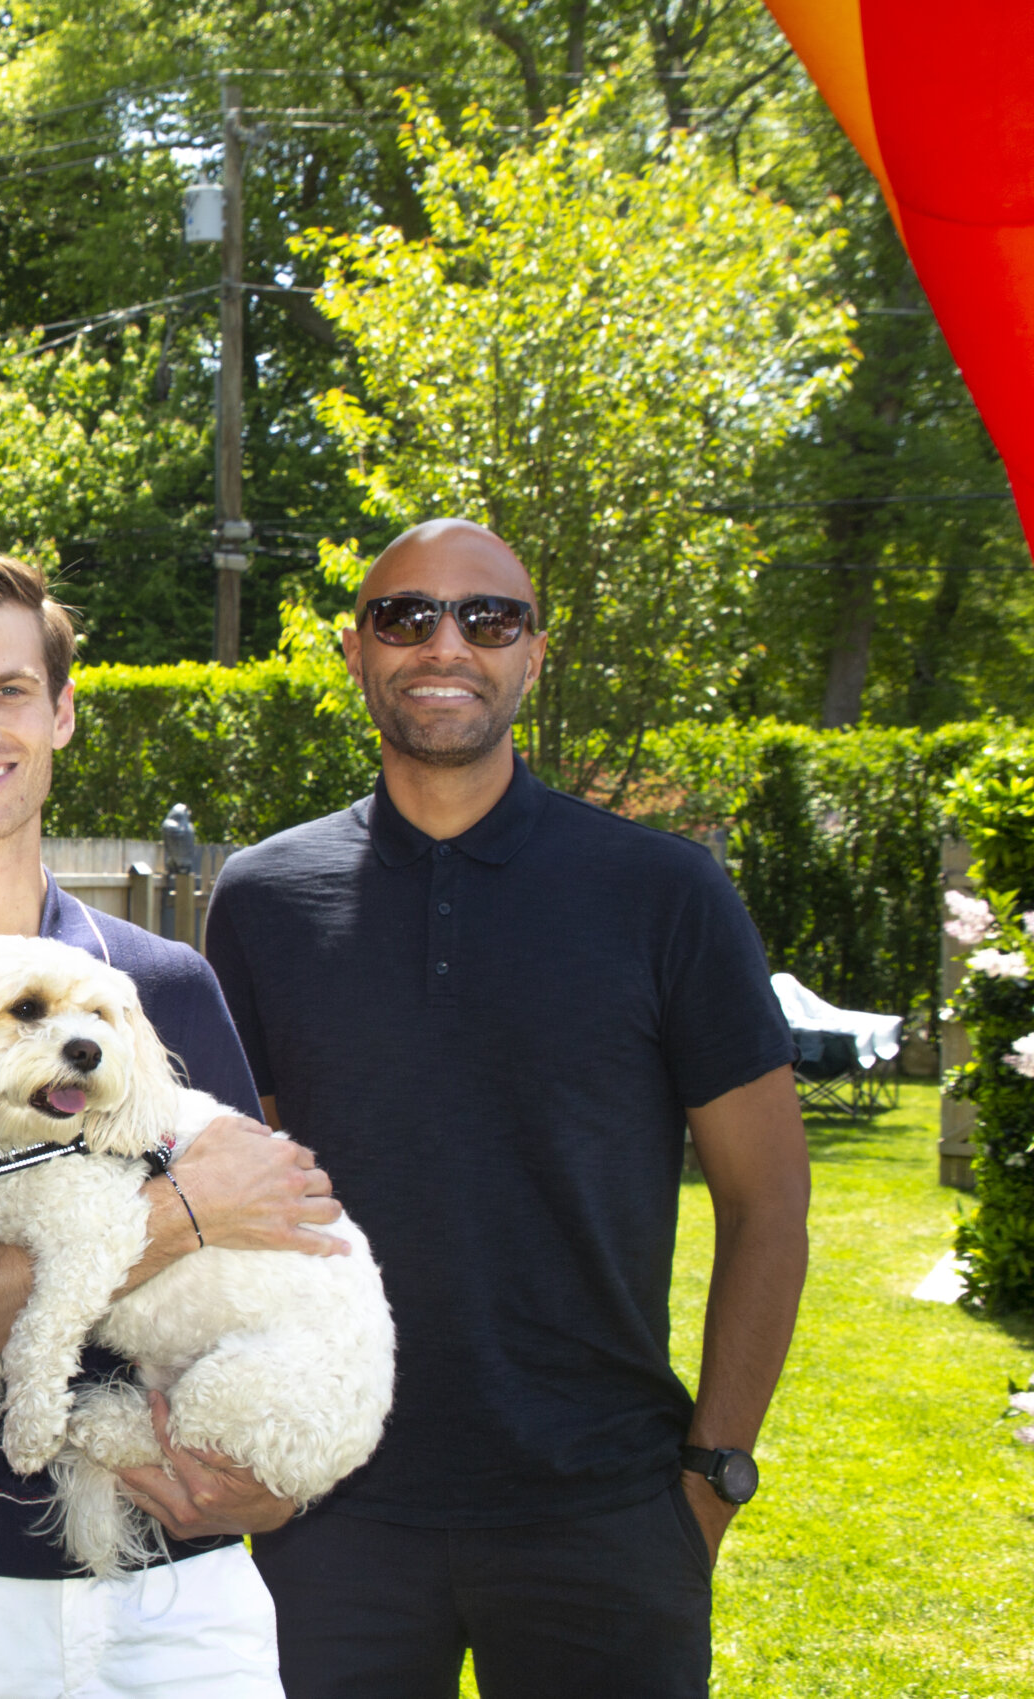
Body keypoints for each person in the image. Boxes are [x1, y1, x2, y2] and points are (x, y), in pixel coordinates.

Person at [202, 519, 810, 1699]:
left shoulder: (663, 894)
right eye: (405, 615)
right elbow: (235, 1207)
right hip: (328, 1506)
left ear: (534, 655)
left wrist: (713, 1475)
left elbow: (768, 1199)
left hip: (606, 1510)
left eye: (487, 618)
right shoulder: (263, 898)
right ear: (354, 650)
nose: (446, 643)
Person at [0, 550, 349, 1699]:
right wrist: (172, 1216)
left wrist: (279, 1483)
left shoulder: (166, 986)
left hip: (181, 1585)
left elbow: (277, 1258)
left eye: (11, 689)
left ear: (60, 712)